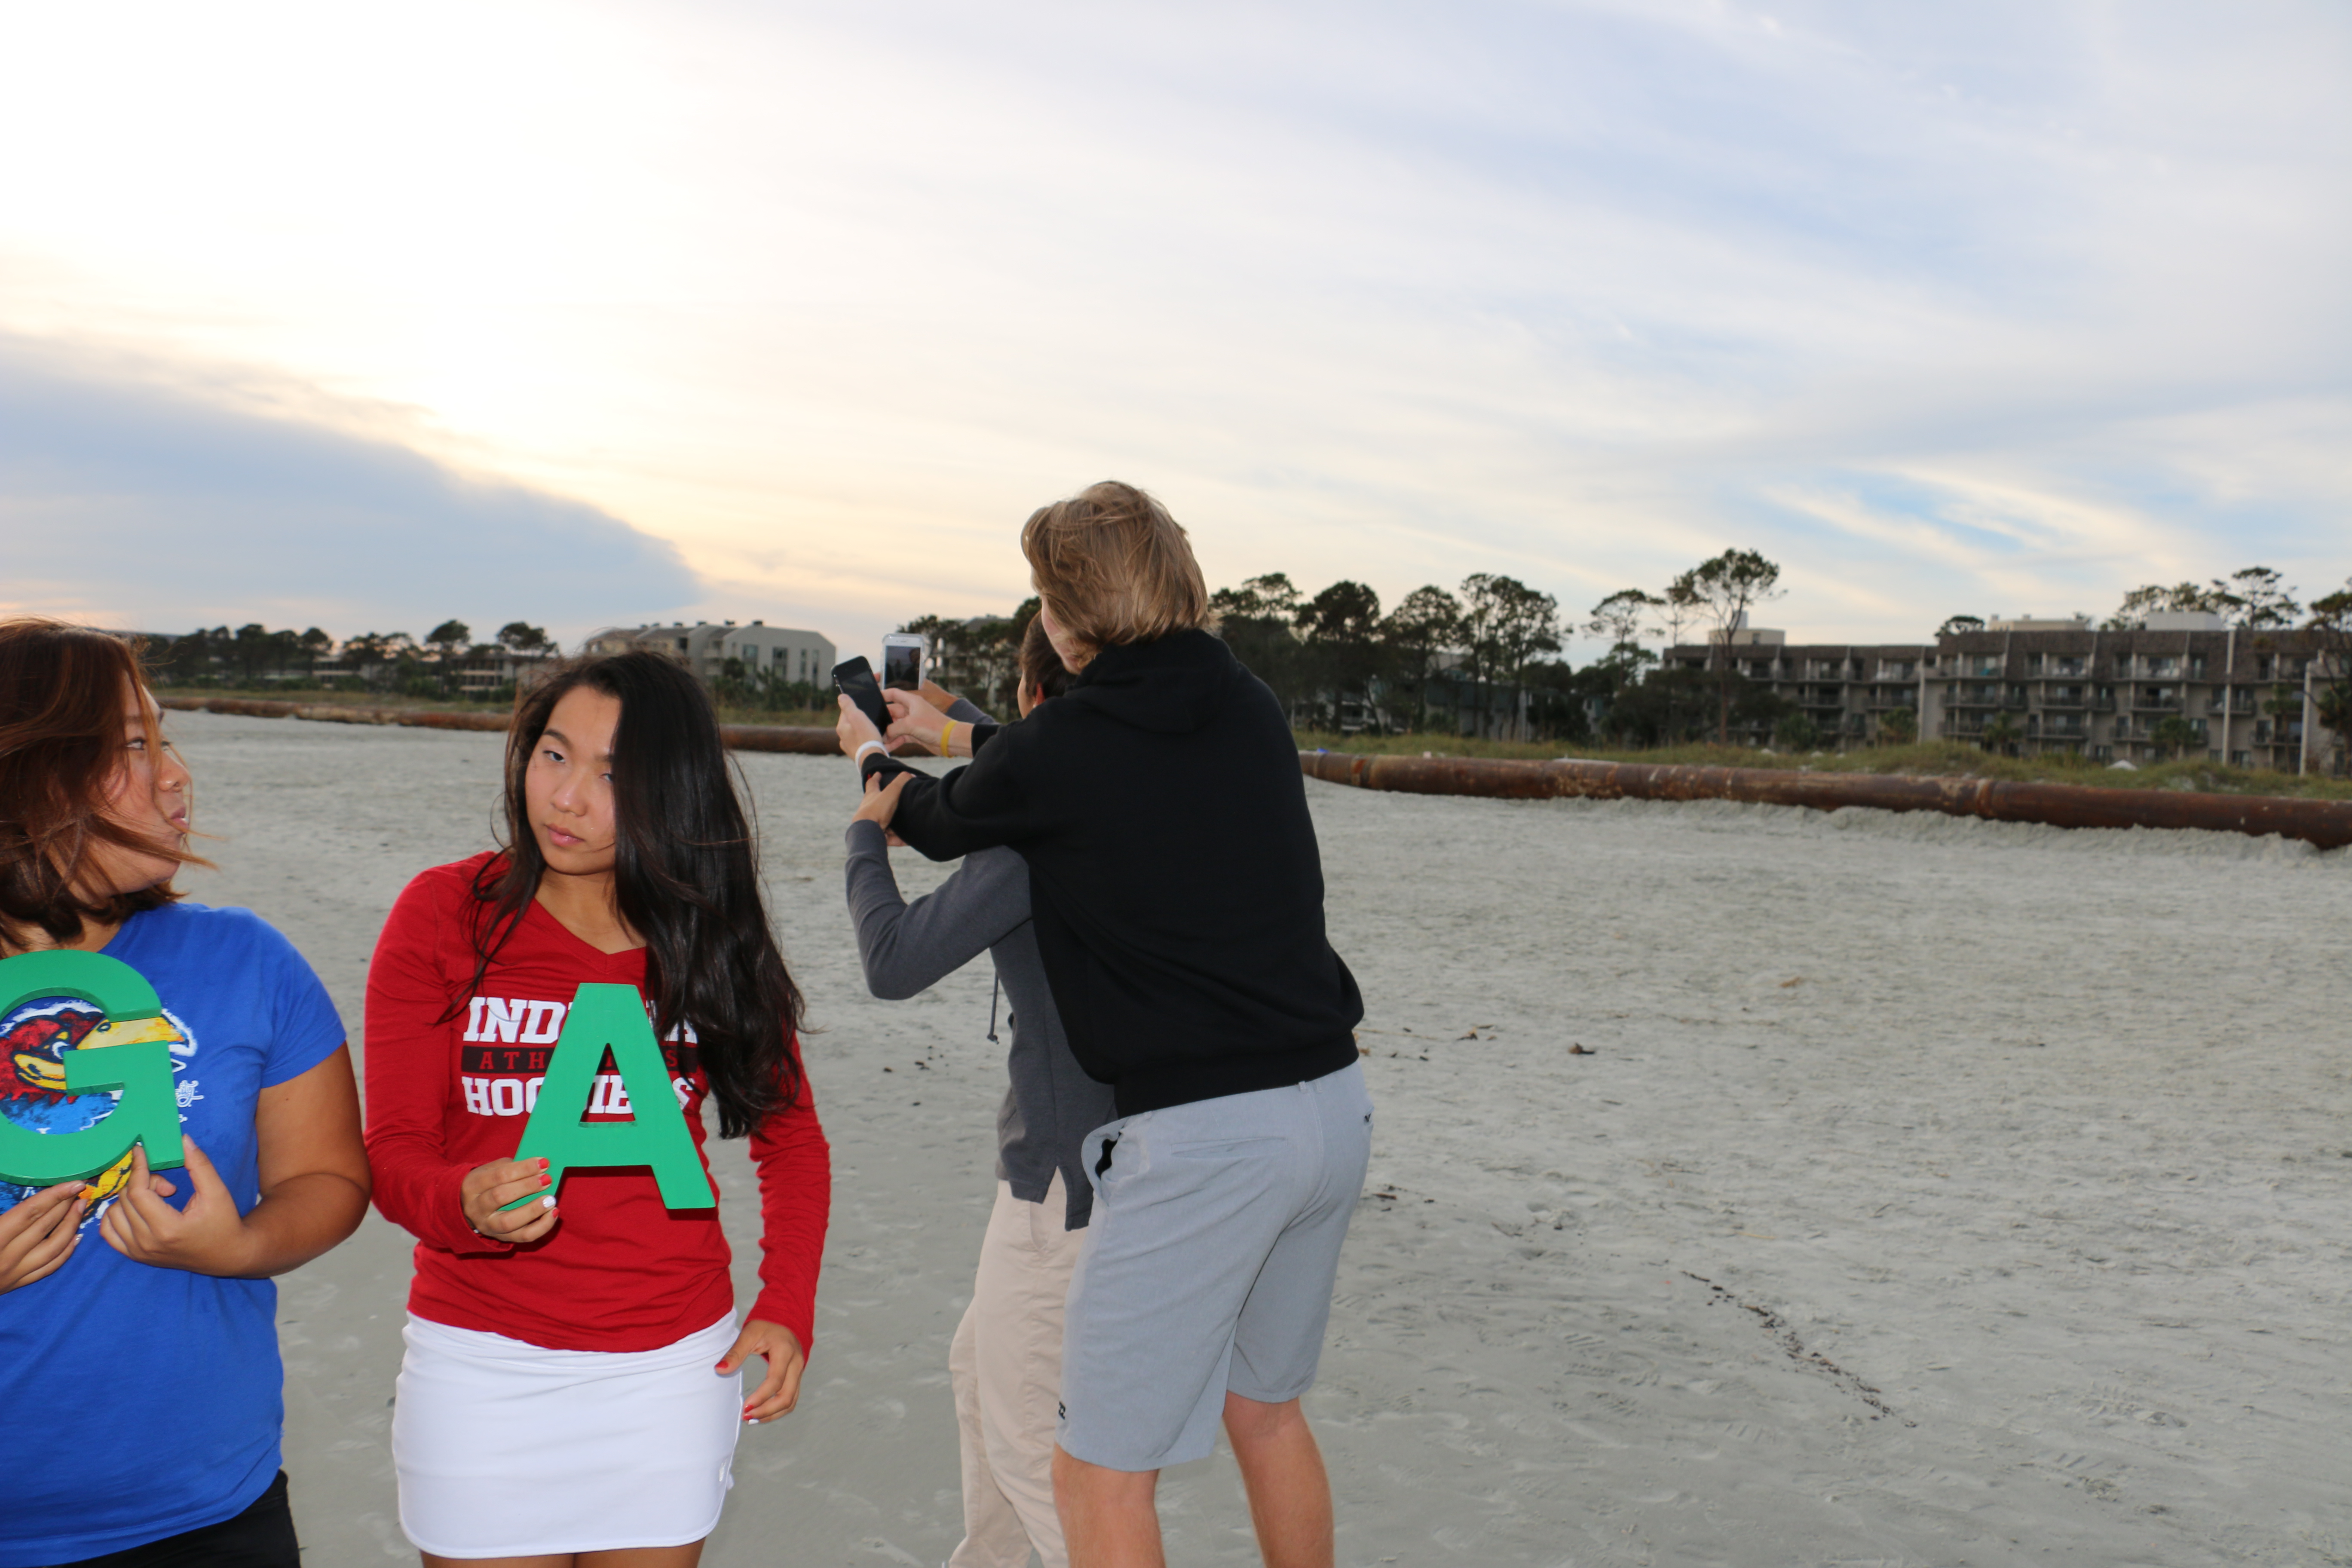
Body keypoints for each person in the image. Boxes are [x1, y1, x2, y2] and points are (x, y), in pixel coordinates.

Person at [837, 482, 1371, 1568]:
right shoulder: (1246, 703)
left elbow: (939, 817)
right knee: (1265, 1413)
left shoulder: (1069, 748)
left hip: (1207, 1139)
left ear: (1068, 615)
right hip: (1329, 1105)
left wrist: (871, 767)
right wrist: (956, 727)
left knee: (1094, 1476)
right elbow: (1089, 763)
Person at [364, 650, 832, 1568]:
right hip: (480, 1367)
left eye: (613, 776)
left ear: (672, 792)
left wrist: (787, 1304)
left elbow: (791, 1138)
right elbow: (394, 1150)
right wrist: (462, 1201)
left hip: (670, 1372)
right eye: (554, 754)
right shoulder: (445, 913)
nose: (567, 797)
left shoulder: (708, 938)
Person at [0, 618, 371, 1568]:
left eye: (166, 740)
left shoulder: (247, 960)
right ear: (31, 771)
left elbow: (329, 1180)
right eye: (134, 746)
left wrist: (239, 1246)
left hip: (207, 1517)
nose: (177, 777)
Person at [844, 619, 1115, 1568]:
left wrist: (865, 829)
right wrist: (945, 718)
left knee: (1029, 1444)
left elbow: (893, 962)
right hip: (1126, 1160)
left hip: (1058, 1184)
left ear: (1037, 700)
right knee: (980, 1377)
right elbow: (1032, 754)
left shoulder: (1031, 846)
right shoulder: (1129, 790)